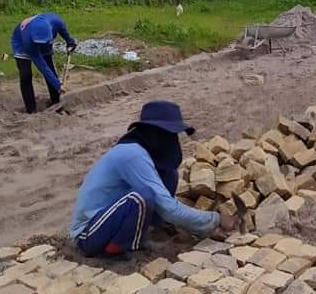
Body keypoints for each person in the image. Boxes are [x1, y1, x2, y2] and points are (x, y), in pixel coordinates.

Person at [70, 100, 234, 257]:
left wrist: (205, 229)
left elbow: (166, 203)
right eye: (168, 134)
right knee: (142, 196)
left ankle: (155, 227)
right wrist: (216, 219)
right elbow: (169, 209)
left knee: (168, 173)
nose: (172, 141)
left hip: (110, 221)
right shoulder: (132, 154)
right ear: (153, 133)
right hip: (88, 235)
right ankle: (118, 249)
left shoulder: (143, 152)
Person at [11, 13, 77, 114]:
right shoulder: (28, 40)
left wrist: (70, 41)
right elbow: (42, 66)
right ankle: (31, 110)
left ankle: (56, 102)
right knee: (26, 75)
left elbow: (63, 30)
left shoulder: (56, 21)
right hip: (21, 44)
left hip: (44, 41)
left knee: (50, 67)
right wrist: (57, 85)